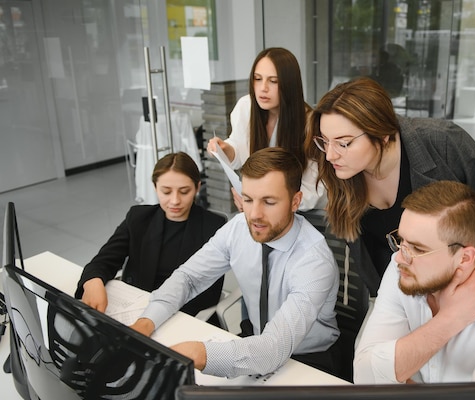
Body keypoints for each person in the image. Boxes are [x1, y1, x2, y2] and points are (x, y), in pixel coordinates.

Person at [305, 77, 475, 297]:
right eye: (324, 141)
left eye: (344, 143)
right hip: (391, 280)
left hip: (448, 276)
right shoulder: (341, 169)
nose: (330, 155)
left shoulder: (442, 142)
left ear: (382, 135)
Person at [130, 147, 340, 378]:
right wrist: (146, 322)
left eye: (269, 202)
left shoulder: (314, 261)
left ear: (295, 201)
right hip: (254, 337)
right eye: (248, 200)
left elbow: (274, 348)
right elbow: (189, 277)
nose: (254, 214)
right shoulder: (239, 227)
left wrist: (201, 353)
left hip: (307, 358)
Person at [353, 181, 475, 384]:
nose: (400, 257)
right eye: (401, 241)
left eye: (417, 249)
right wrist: (450, 320)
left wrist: (398, 378)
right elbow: (365, 377)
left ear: (464, 258)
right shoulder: (402, 269)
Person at [75, 152, 226, 317]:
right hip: (137, 309)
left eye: (184, 192)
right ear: (155, 187)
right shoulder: (139, 218)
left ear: (197, 187)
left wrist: (156, 315)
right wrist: (93, 282)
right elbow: (104, 260)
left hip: (184, 315)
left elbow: (208, 292)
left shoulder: (214, 226)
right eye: (166, 192)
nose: (175, 201)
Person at [207, 47, 326, 211]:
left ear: (289, 85)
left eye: (273, 81)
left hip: (298, 214)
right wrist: (226, 150)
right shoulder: (246, 106)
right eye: (257, 79)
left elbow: (316, 192)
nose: (263, 88)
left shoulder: (309, 124)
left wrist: (258, 200)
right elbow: (241, 149)